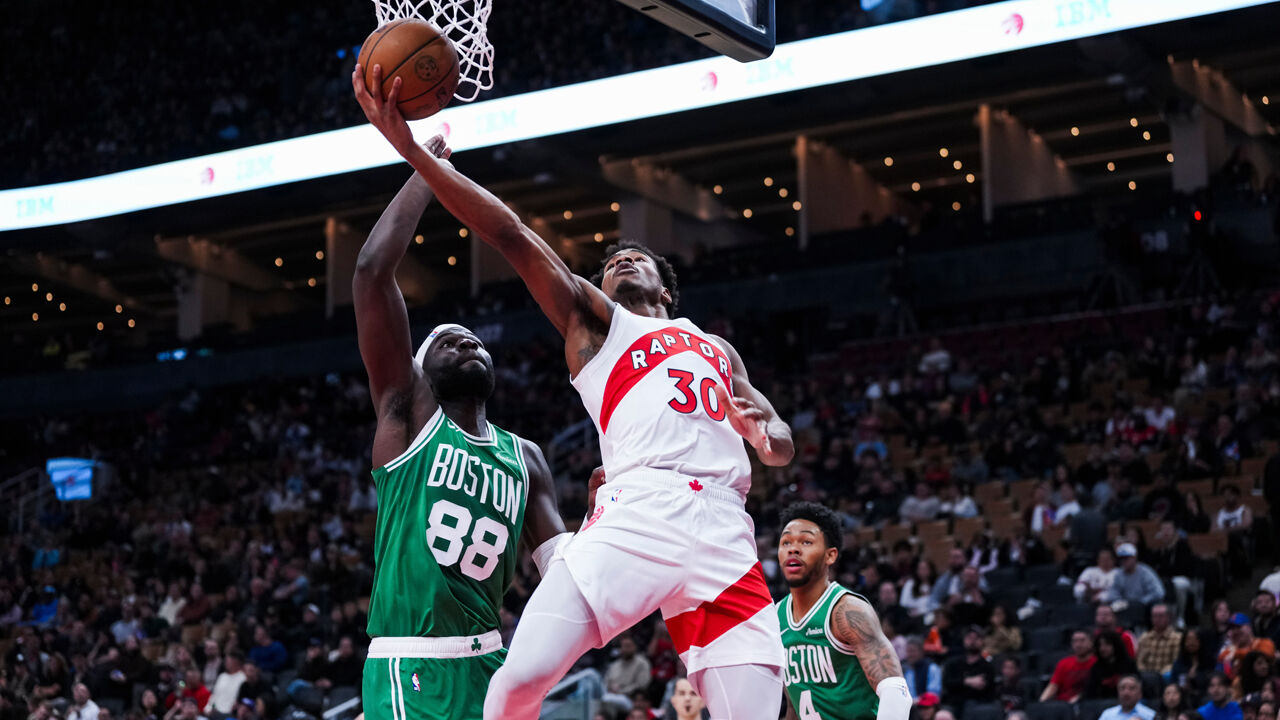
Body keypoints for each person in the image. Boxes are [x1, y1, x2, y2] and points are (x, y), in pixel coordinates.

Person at [355, 69, 796, 720]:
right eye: (608, 262)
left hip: (724, 526)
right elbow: (510, 234)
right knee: (520, 685)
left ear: (666, 288)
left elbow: (780, 444)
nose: (619, 260)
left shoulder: (714, 347)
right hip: (640, 507)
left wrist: (768, 434)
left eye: (633, 257)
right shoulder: (597, 327)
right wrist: (416, 156)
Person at [350, 138, 568, 720]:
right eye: (448, 341)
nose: (468, 342)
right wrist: (428, 169)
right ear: (420, 370)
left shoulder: (526, 457)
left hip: (492, 661)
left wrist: (602, 525)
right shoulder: (407, 417)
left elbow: (563, 572)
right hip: (411, 660)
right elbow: (371, 272)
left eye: (474, 340)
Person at [776, 503, 910, 720]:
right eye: (786, 542)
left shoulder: (848, 611)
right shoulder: (776, 618)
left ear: (830, 556)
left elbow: (896, 691)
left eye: (806, 542)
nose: (793, 549)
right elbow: (794, 707)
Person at [940, 626, 995, 706]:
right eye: (969, 637)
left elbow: (989, 688)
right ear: (964, 640)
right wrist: (967, 681)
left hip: (979, 705)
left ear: (982, 641)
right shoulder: (953, 663)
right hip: (954, 704)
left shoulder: (988, 665)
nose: (973, 641)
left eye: (976, 638)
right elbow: (947, 682)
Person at [1041, 631, 1096, 703]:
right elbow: (1053, 686)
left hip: (1089, 703)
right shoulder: (1063, 663)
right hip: (1064, 704)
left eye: (1082, 640)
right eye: (1075, 641)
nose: (1078, 645)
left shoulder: (1096, 662)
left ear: (1091, 643)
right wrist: (1041, 702)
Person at [1219, 614, 1277, 680]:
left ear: (1249, 627)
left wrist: (1236, 653)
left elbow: (1266, 654)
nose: (1235, 631)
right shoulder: (1229, 649)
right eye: (1232, 628)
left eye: (1238, 627)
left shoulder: (1264, 643)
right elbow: (1221, 658)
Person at [1088, 632, 1140, 700]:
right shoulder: (1096, 667)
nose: (1102, 648)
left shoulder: (1128, 664)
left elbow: (1137, 685)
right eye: (1100, 645)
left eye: (1107, 644)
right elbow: (1090, 691)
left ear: (1115, 645)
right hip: (1102, 703)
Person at [1137, 605, 1184, 676]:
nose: (1157, 619)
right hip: (1147, 675)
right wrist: (1144, 672)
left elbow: (1176, 662)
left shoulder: (1177, 638)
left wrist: (1161, 674)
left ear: (1168, 618)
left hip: (1166, 676)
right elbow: (1139, 661)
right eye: (1154, 616)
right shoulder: (1145, 637)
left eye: (1161, 616)